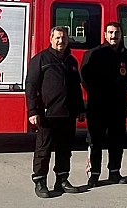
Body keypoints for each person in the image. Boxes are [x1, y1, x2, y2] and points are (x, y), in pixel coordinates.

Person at [25, 26, 85, 198]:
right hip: (47, 114)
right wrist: (33, 111)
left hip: (68, 113)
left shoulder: (71, 61)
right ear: (51, 39)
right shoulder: (41, 59)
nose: (61, 41)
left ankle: (62, 179)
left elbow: (76, 88)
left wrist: (80, 109)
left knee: (65, 149)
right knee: (43, 150)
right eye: (57, 38)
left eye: (64, 38)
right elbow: (31, 86)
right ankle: (40, 181)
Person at [81, 22, 127, 188]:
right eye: (110, 33)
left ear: (121, 35)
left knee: (117, 141)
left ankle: (114, 172)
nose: (114, 36)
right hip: (97, 105)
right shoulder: (95, 53)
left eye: (117, 33)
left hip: (118, 106)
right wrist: (97, 93)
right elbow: (84, 77)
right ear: (105, 35)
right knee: (95, 142)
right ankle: (94, 175)